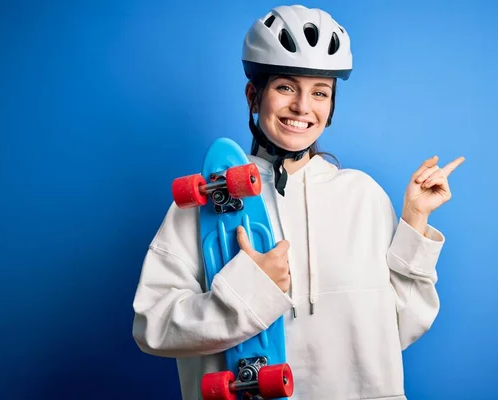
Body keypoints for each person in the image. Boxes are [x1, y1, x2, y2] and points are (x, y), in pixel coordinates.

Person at [132, 4, 465, 399]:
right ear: (254, 96)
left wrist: (415, 222)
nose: (303, 107)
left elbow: (403, 326)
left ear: (331, 106)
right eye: (286, 87)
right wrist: (248, 290)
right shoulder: (209, 203)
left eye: (319, 92)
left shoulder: (363, 196)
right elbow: (152, 327)